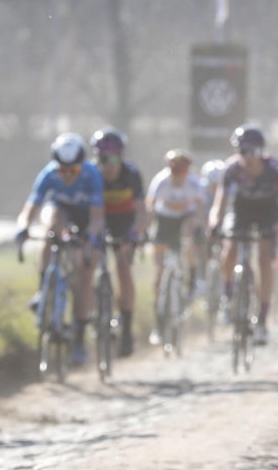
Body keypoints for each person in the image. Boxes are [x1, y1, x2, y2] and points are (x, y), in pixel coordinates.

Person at [14, 132, 106, 366]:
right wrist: (23, 227)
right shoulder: (48, 174)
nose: (66, 176)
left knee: (84, 276)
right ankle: (44, 288)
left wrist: (89, 239)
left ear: (81, 165)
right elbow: (31, 208)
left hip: (86, 217)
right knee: (50, 230)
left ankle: (79, 339)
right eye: (62, 170)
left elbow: (97, 218)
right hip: (61, 210)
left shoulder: (92, 175)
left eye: (72, 171)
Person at [207, 124, 278, 347]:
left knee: (265, 258)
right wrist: (215, 224)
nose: (248, 158)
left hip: (268, 211)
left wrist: (276, 230)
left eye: (253, 152)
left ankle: (262, 321)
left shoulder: (276, 169)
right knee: (230, 248)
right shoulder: (232, 168)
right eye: (242, 152)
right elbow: (220, 204)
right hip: (242, 210)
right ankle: (228, 299)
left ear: (262, 152)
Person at [90, 128, 148, 357]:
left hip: (124, 223)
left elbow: (142, 213)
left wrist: (135, 233)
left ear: (121, 157)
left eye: (114, 159)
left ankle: (126, 328)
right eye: (104, 159)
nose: (109, 165)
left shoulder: (131, 174)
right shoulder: (91, 174)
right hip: (98, 220)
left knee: (123, 266)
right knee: (88, 264)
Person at [144, 148, 210, 346]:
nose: (178, 176)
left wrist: (198, 223)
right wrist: (147, 230)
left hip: (186, 218)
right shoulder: (161, 180)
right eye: (174, 171)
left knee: (188, 236)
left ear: (187, 171)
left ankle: (192, 280)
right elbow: (150, 206)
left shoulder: (193, 182)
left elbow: (200, 207)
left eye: (181, 172)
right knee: (159, 268)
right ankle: (159, 320)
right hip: (165, 220)